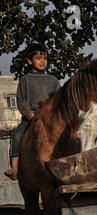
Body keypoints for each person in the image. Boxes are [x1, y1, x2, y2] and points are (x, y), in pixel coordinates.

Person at [4, 43, 60, 180]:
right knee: (17, 135)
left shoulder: (53, 80)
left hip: (49, 118)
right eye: (39, 58)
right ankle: (15, 168)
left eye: (45, 58)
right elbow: (21, 100)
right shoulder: (25, 80)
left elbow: (58, 99)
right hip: (30, 118)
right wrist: (28, 113)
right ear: (30, 61)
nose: (43, 61)